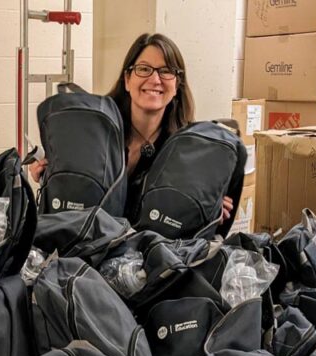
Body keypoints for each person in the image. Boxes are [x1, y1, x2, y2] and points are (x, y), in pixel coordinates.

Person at [30, 33, 235, 224]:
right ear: (128, 79)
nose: (155, 80)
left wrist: (209, 209)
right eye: (144, 69)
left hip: (149, 255)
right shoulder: (95, 133)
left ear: (177, 84)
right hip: (87, 248)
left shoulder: (189, 151)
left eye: (166, 71)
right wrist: (52, 175)